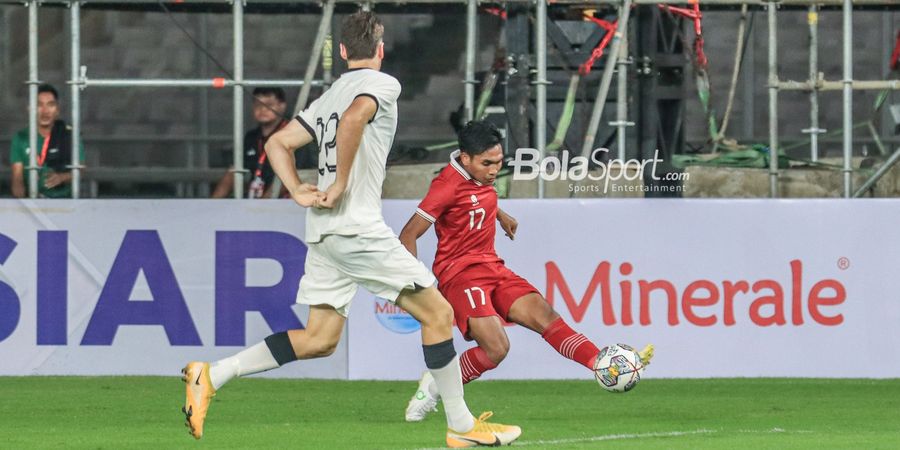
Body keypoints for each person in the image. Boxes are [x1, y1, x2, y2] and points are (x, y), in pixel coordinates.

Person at [181, 12, 521, 448]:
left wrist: (299, 191)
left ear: (342, 52)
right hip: (356, 228)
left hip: (324, 232)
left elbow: (276, 144)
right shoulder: (382, 84)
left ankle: (212, 373)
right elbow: (355, 120)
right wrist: (339, 183)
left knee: (319, 339)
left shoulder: (330, 94)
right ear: (379, 50)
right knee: (437, 314)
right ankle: (461, 426)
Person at [400, 121, 654, 422]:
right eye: (487, 164)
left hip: (492, 267)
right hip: (461, 274)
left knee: (545, 315)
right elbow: (408, 234)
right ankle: (435, 384)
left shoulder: (478, 173)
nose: (494, 169)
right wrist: (417, 289)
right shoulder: (445, 186)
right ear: (465, 158)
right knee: (496, 349)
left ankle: (604, 365)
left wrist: (500, 215)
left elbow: (476, 200)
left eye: (499, 162)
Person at [211, 87, 291, 199]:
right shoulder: (251, 137)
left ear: (282, 106)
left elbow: (292, 177)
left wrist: (263, 206)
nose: (262, 109)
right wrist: (211, 204)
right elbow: (234, 171)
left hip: (285, 205)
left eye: (269, 105)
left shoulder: (293, 135)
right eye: (258, 105)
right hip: (256, 202)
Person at [9, 84, 85, 198]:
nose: (45, 111)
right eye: (39, 105)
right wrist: (24, 204)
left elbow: (81, 171)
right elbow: (17, 178)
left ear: (57, 110)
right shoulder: (20, 137)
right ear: (30, 109)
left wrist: (62, 177)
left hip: (65, 202)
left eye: (51, 105)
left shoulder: (69, 135)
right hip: (33, 201)